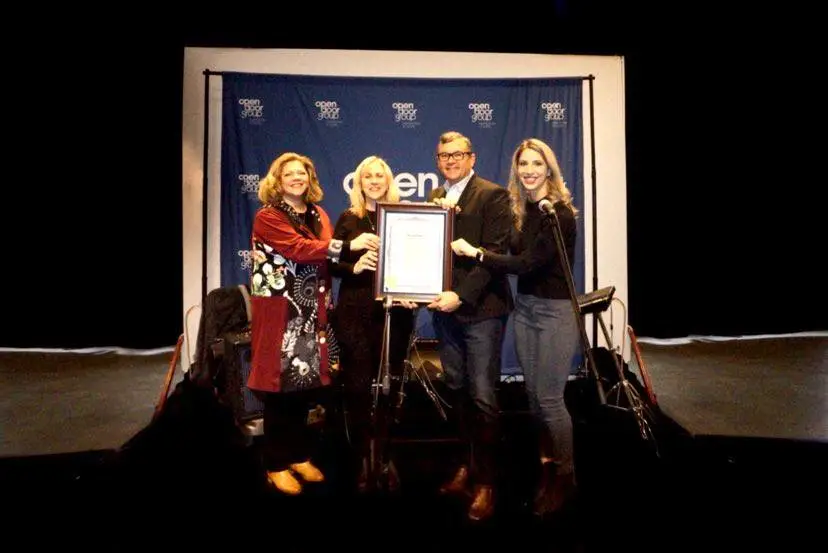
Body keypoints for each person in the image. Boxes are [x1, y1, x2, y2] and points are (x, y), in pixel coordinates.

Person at [450, 138, 580, 516]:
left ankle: (567, 478)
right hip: (526, 309)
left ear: (549, 169)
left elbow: (526, 264)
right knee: (536, 400)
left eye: (537, 164)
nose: (529, 171)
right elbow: (489, 234)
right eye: (523, 164)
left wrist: (477, 253)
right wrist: (452, 214)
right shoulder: (520, 208)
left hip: (555, 313)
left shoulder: (558, 213)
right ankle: (546, 471)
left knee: (552, 401)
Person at [247, 152, 379, 496]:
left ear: (310, 179)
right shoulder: (269, 216)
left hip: (314, 310)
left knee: (306, 385)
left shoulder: (318, 213)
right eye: (289, 174)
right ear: (278, 180)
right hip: (281, 312)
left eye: (301, 173)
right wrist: (350, 246)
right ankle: (275, 464)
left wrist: (353, 259)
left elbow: (325, 254)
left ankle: (299, 454)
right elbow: (300, 248)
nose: (296, 179)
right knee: (280, 390)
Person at [426, 131, 513, 521]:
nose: (450, 160)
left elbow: (495, 254)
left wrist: (460, 296)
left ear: (472, 157)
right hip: (445, 312)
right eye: (444, 155)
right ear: (437, 159)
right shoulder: (434, 198)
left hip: (481, 310)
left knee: (483, 397)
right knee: (457, 390)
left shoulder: (492, 195)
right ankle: (467, 465)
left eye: (458, 154)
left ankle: (487, 483)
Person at [329, 155, 418, 493]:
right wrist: (354, 266)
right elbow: (331, 262)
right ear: (359, 182)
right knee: (358, 386)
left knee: (391, 384)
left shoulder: (403, 216)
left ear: (388, 180)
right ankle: (363, 457)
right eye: (368, 176)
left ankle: (386, 453)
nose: (374, 181)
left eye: (380, 176)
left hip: (395, 313)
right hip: (355, 313)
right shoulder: (349, 218)